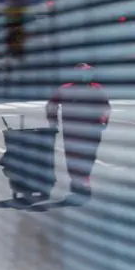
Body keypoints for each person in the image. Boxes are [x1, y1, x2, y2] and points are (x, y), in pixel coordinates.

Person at [46, 63, 110, 197]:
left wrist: (104, 119)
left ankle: (84, 178)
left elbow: (106, 106)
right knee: (73, 155)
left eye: (88, 73)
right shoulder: (65, 89)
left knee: (89, 154)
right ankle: (76, 180)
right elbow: (52, 105)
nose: (85, 76)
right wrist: (53, 121)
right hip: (72, 130)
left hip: (93, 128)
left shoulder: (97, 88)